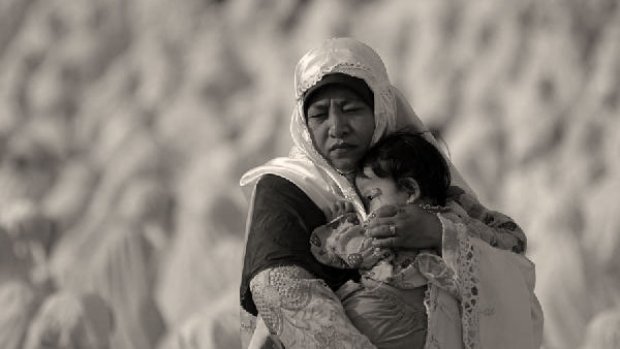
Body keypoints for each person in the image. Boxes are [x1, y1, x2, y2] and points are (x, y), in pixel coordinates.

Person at [239, 37, 542, 348]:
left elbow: (508, 247)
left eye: (350, 109)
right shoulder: (287, 188)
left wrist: (439, 232)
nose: (336, 127)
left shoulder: (408, 168)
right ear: (304, 123)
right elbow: (280, 290)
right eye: (319, 115)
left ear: (380, 109)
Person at [310, 131, 526, 348]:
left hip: (399, 315)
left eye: (371, 198)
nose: (367, 212)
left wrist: (340, 226)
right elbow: (513, 240)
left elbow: (349, 253)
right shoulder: (461, 217)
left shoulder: (389, 225)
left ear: (410, 189)